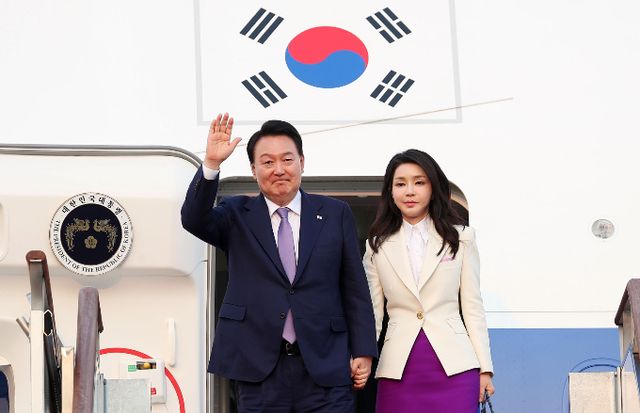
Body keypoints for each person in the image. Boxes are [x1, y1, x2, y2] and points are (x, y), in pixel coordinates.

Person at [181, 113, 377, 412]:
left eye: (287, 160)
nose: (279, 170)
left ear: (301, 162)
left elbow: (355, 288)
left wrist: (363, 349)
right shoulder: (236, 214)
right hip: (258, 368)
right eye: (267, 162)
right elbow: (193, 219)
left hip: (325, 364)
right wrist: (211, 164)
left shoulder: (335, 213)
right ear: (253, 169)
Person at [363, 149, 495, 413]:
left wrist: (485, 369)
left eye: (419, 182)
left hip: (456, 367)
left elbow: (473, 307)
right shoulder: (376, 246)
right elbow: (372, 314)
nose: (409, 191)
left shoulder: (462, 238)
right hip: (397, 368)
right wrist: (362, 356)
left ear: (433, 188)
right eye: (400, 184)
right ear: (390, 192)